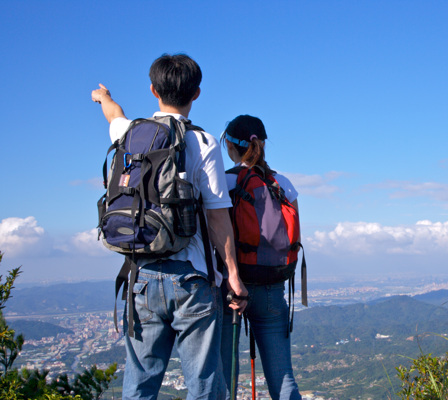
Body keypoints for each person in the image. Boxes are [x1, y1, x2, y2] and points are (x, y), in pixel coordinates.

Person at [91, 54, 248, 400]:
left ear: (152, 90)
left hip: (141, 275)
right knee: (204, 384)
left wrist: (103, 97)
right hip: (191, 278)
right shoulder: (203, 142)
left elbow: (114, 115)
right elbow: (218, 215)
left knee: (140, 384)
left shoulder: (130, 133)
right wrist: (233, 274)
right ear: (197, 94)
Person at [220, 115, 302, 400]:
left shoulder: (224, 182)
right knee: (283, 379)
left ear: (230, 146)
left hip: (229, 290)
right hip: (272, 286)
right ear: (263, 144)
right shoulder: (282, 183)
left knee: (225, 382)